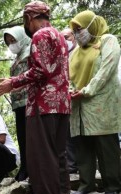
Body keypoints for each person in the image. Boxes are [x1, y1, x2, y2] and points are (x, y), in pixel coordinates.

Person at [0, 1, 74, 194]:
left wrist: (13, 82)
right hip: (62, 103)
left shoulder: (39, 36)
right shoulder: (60, 36)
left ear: (29, 18)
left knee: (42, 156)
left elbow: (40, 71)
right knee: (59, 154)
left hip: (44, 105)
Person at [68, 11, 121, 194]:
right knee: (82, 145)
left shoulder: (108, 40)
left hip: (101, 101)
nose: (77, 33)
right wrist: (70, 90)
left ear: (91, 25)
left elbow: (107, 69)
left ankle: (113, 185)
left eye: (79, 28)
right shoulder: (75, 52)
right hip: (79, 104)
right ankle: (86, 185)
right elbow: (69, 77)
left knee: (106, 144)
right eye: (74, 30)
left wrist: (87, 90)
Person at [3, 26, 31, 181]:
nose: (12, 44)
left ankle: (32, 169)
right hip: (18, 104)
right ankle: (24, 168)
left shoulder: (31, 51)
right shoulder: (17, 58)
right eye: (8, 42)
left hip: (30, 101)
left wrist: (13, 84)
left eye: (13, 40)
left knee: (31, 138)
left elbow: (34, 76)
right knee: (22, 137)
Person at [60, 28, 79, 174]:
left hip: (82, 96)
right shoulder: (61, 55)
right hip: (66, 99)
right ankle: (71, 166)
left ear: (74, 36)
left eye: (66, 36)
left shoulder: (80, 52)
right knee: (67, 132)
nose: (65, 40)